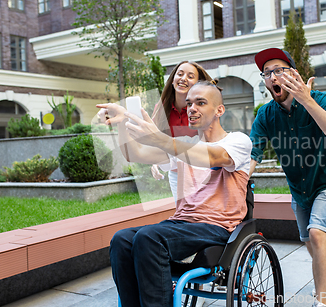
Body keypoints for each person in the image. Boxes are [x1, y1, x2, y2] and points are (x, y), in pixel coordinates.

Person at [96, 80, 252, 307]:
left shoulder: (238, 141)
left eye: (200, 103)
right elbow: (134, 153)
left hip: (217, 226)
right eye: (189, 103)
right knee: (122, 239)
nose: (192, 108)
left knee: (149, 237)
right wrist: (123, 123)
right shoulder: (181, 144)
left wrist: (160, 139)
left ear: (219, 110)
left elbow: (214, 157)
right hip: (181, 223)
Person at [249, 48, 326, 307]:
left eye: (278, 70)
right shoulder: (265, 115)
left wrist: (307, 101)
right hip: (299, 188)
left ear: (293, 74)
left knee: (316, 233)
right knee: (308, 239)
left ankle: (321, 302)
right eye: (267, 73)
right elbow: (253, 153)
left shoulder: (320, 99)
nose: (272, 76)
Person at [150, 61, 212, 197]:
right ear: (173, 80)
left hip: (201, 171)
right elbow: (156, 140)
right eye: (180, 74)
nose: (183, 78)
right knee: (182, 213)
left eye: (190, 76)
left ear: (197, 84)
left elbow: (210, 141)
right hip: (175, 172)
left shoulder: (200, 109)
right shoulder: (161, 108)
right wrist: (155, 162)